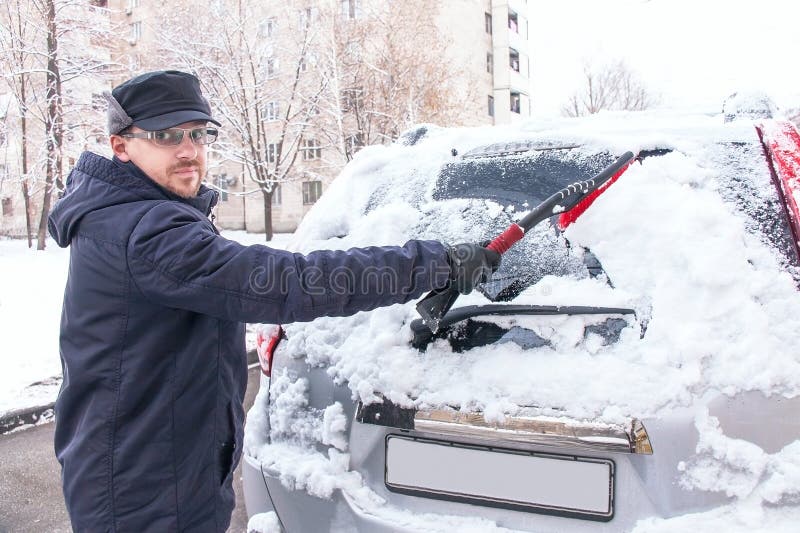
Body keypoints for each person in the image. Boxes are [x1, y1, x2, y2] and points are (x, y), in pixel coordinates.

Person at [47, 70, 500, 532]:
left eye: (198, 134)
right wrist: (430, 263)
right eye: (165, 136)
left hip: (157, 469)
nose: (189, 150)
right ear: (120, 145)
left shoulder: (134, 214)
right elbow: (286, 283)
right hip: (145, 491)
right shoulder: (144, 231)